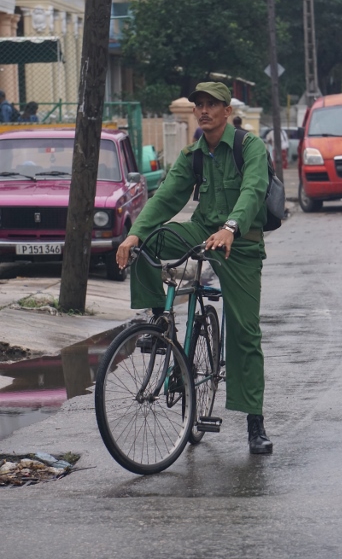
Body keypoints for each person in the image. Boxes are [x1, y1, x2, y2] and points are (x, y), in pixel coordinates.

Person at [116, 81, 273, 455]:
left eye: (211, 104)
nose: (203, 111)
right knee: (149, 243)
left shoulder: (248, 147)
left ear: (226, 110)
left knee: (245, 332)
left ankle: (255, 422)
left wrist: (231, 228)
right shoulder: (194, 154)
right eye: (198, 104)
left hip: (241, 242)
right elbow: (167, 196)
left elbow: (253, 190)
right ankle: (159, 321)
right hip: (203, 231)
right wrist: (134, 236)